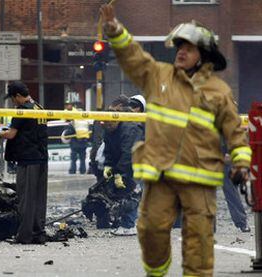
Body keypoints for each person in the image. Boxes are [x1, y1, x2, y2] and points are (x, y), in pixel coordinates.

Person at [100, 5, 251, 276]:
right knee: (151, 231)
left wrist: (241, 162)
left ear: (203, 57)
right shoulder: (162, 78)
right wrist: (115, 30)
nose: (181, 51)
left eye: (189, 48)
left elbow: (235, 132)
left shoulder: (218, 93)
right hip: (162, 175)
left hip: (199, 179)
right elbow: (136, 59)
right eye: (179, 46)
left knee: (198, 245)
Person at [0, 81, 48, 244]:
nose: (13, 102)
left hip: (27, 160)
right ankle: (38, 234)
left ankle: (24, 236)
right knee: (39, 199)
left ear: (18, 96)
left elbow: (11, 134)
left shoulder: (22, 111)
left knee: (26, 199)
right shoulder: (39, 107)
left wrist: (0, 133)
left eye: (13, 98)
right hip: (41, 158)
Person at [103, 96, 144, 236]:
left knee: (131, 192)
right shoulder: (110, 128)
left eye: (110, 125)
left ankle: (129, 225)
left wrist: (120, 173)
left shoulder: (130, 128)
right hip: (125, 163)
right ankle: (126, 222)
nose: (108, 127)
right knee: (122, 192)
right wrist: (108, 165)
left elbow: (128, 153)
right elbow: (109, 148)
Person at [62, 108, 90, 174]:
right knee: (82, 160)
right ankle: (82, 171)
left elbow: (67, 134)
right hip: (83, 143)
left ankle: (72, 171)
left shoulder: (74, 122)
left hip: (75, 144)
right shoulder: (86, 122)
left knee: (73, 159)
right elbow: (89, 132)